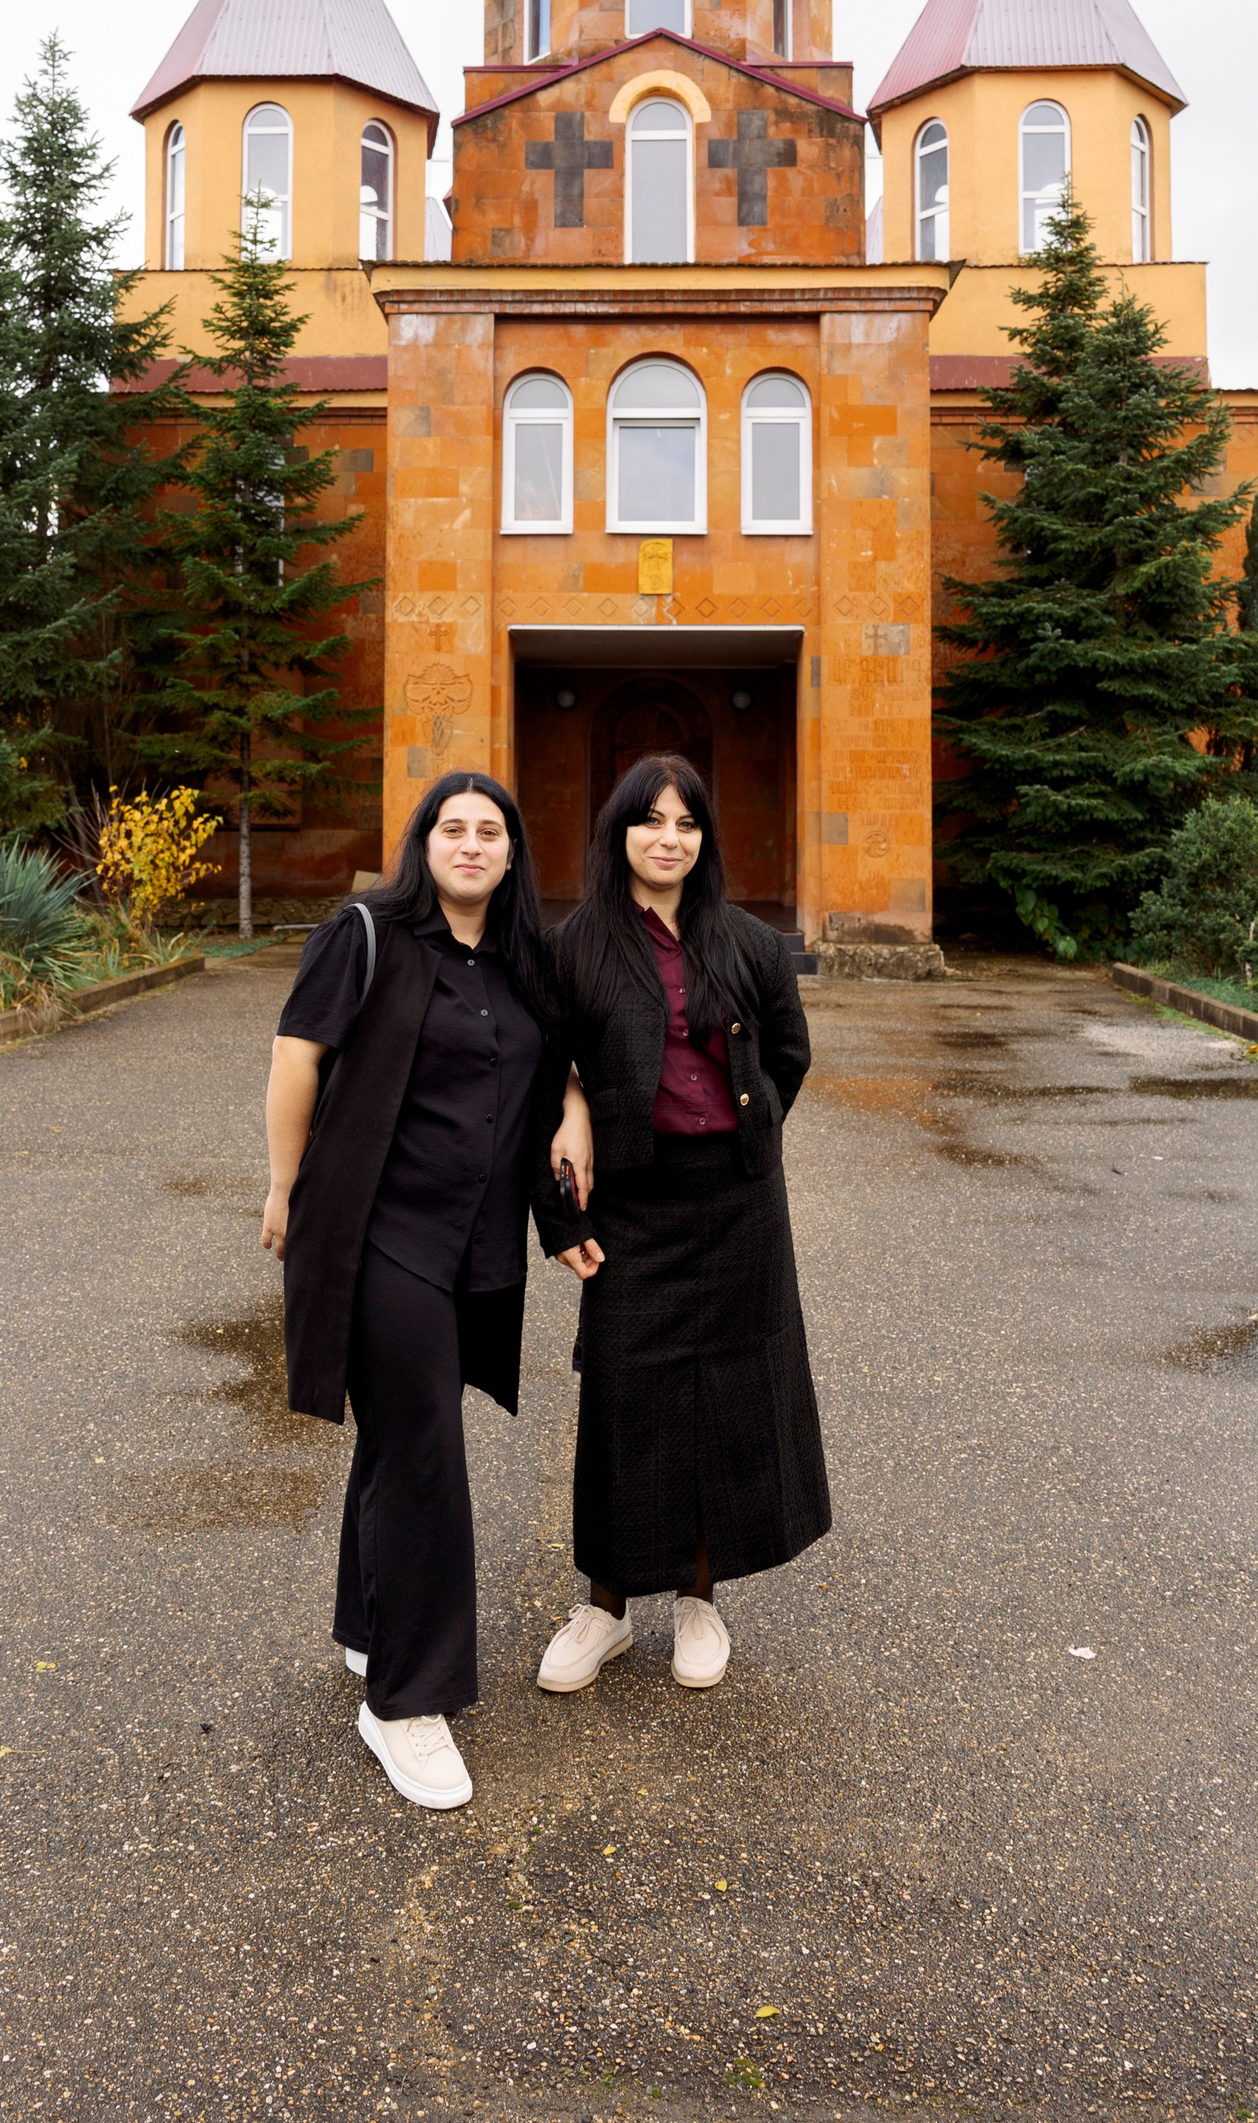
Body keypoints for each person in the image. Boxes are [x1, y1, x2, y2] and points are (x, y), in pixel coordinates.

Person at [263, 773, 591, 1811]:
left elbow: (543, 1075)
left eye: (491, 830)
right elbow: (296, 1058)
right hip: (377, 1234)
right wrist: (283, 1187)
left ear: (512, 854)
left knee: (403, 1435)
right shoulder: (365, 934)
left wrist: (574, 1118)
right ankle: (406, 1702)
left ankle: (369, 1624)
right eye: (453, 828)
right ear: (425, 842)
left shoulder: (524, 961)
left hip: (472, 1246)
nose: (471, 843)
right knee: (425, 1456)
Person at [536, 752, 828, 1695]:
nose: (669, 839)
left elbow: (788, 1055)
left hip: (737, 1203)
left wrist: (754, 1126)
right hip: (633, 1203)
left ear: (705, 838)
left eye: (687, 823)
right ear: (617, 830)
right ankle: (606, 1605)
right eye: (651, 820)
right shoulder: (574, 946)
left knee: (729, 1397)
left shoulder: (749, 942)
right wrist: (561, 1211)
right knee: (624, 1398)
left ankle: (699, 1596)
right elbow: (538, 1076)